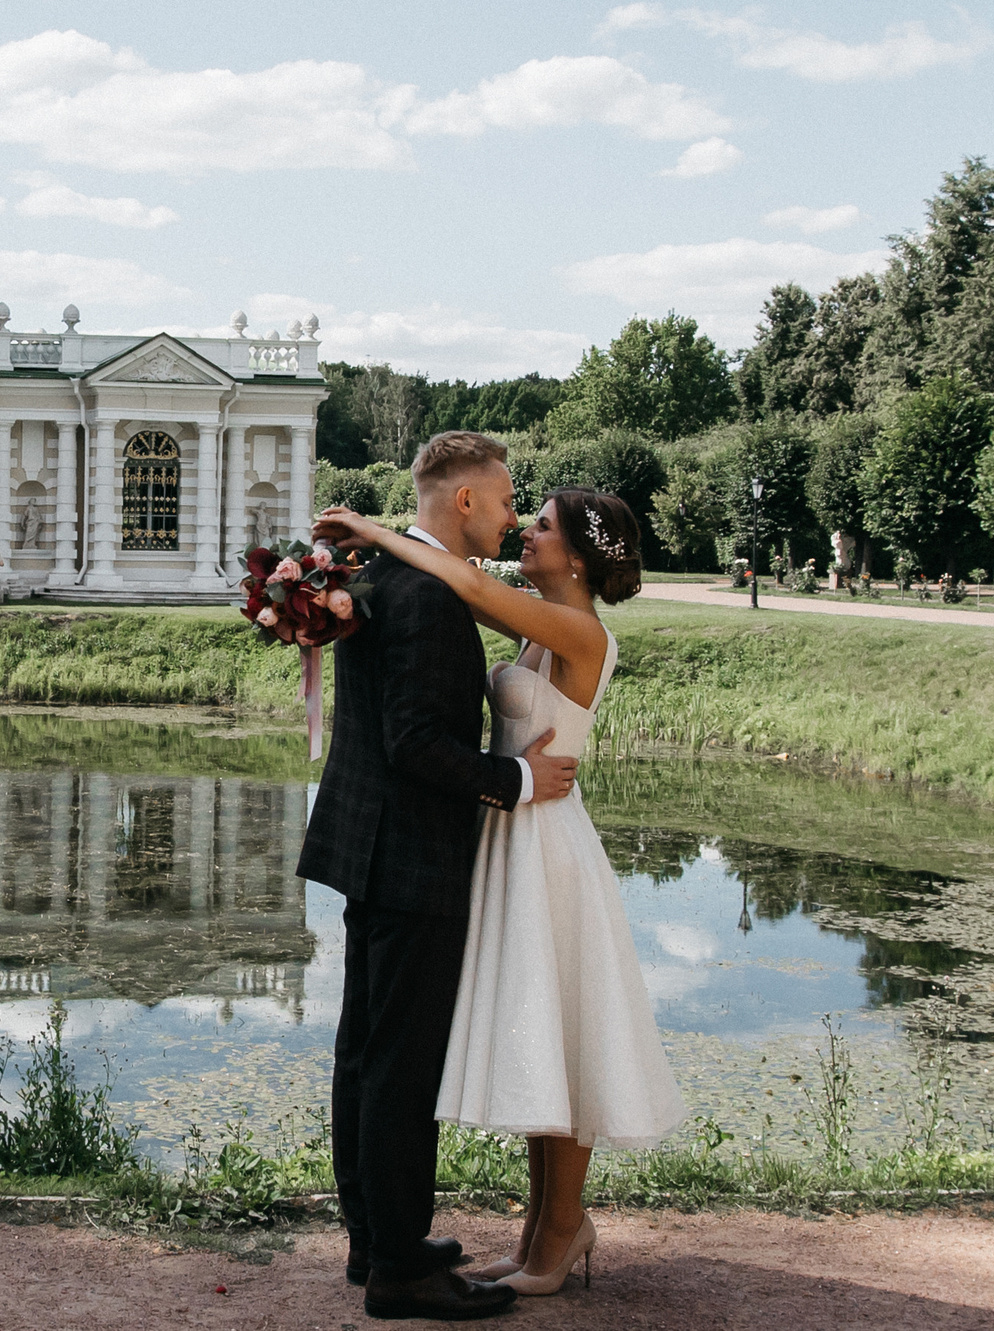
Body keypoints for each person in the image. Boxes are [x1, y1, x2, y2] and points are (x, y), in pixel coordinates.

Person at [316, 473, 687, 1305]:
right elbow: (452, 579)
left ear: (579, 559)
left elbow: (468, 581)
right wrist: (366, 564)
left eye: (544, 524)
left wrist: (375, 531)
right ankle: (536, 1232)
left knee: (566, 1037)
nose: (526, 528)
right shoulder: (536, 616)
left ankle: (561, 1230)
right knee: (539, 1036)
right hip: (510, 834)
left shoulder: (577, 629)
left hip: (548, 844)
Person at [295, 431, 572, 1322]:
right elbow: (416, 742)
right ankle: (401, 1269)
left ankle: (376, 1239)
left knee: (365, 1052)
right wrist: (517, 780)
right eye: (505, 500)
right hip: (411, 856)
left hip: (371, 847)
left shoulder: (385, 577)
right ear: (463, 501)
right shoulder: (426, 595)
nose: (511, 516)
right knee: (401, 1069)